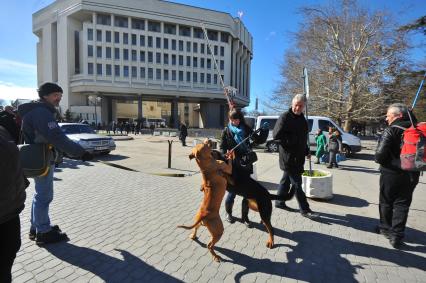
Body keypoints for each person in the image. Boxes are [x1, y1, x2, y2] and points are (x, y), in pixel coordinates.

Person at [18, 82, 93, 245]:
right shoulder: (41, 113)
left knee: (40, 195)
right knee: (44, 196)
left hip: (40, 157)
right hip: (42, 158)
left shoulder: (39, 111)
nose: (59, 98)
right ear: (44, 96)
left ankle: (36, 227)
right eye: (55, 95)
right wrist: (80, 152)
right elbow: (56, 137)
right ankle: (43, 232)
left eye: (60, 95)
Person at [374, 103, 420, 249]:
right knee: (402, 204)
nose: (387, 119)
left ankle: (385, 228)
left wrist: (383, 161)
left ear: (399, 116)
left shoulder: (391, 130)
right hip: (412, 173)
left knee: (386, 200)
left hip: (391, 174)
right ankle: (397, 236)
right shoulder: (417, 129)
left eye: (389, 116)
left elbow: (380, 156)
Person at [273, 94, 318, 219]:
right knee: (297, 184)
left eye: (300, 106)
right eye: (296, 105)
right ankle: (305, 209)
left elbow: (303, 139)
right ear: (292, 104)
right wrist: (293, 140)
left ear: (304, 107)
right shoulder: (285, 117)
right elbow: (276, 136)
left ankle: (279, 201)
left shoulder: (303, 120)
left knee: (285, 180)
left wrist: (307, 150)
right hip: (288, 157)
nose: (297, 108)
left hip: (299, 158)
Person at [0, 120, 29, 282]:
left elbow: (12, 159)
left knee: (7, 256)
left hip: (10, 212)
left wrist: (22, 182)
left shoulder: (2, 130)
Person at [220, 109, 256, 227]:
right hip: (233, 166)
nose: (233, 122)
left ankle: (245, 217)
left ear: (240, 118)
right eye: (231, 119)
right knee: (232, 191)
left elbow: (257, 140)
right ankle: (228, 213)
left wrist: (263, 132)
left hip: (245, 164)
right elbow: (222, 146)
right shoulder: (227, 130)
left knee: (246, 192)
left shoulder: (246, 129)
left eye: (235, 119)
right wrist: (225, 154)